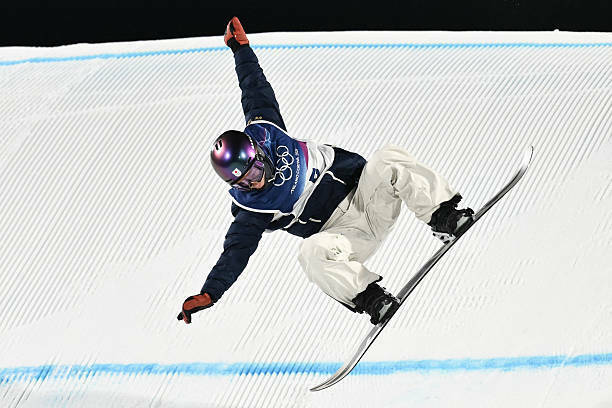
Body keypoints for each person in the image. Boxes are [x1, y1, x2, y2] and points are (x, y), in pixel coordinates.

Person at [177, 17, 474, 326]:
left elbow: (254, 87)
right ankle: (370, 297)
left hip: (367, 197)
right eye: (243, 183)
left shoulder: (268, 129)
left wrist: (241, 49)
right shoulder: (252, 208)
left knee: (388, 159)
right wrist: (210, 293)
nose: (254, 183)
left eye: (253, 172)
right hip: (344, 237)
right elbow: (235, 252)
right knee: (309, 252)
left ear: (260, 153)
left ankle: (443, 216)